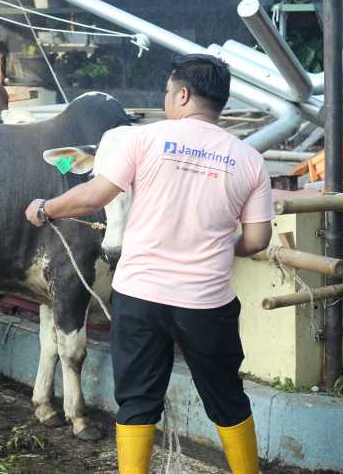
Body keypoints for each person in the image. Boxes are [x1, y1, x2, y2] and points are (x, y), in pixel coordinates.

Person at [24, 54, 273, 474]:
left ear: (183, 93)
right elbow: (257, 239)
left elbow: (94, 195)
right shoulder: (250, 160)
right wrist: (220, 246)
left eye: (167, 92)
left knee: (137, 401)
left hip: (140, 298)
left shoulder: (137, 139)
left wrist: (45, 208)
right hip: (206, 302)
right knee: (227, 398)